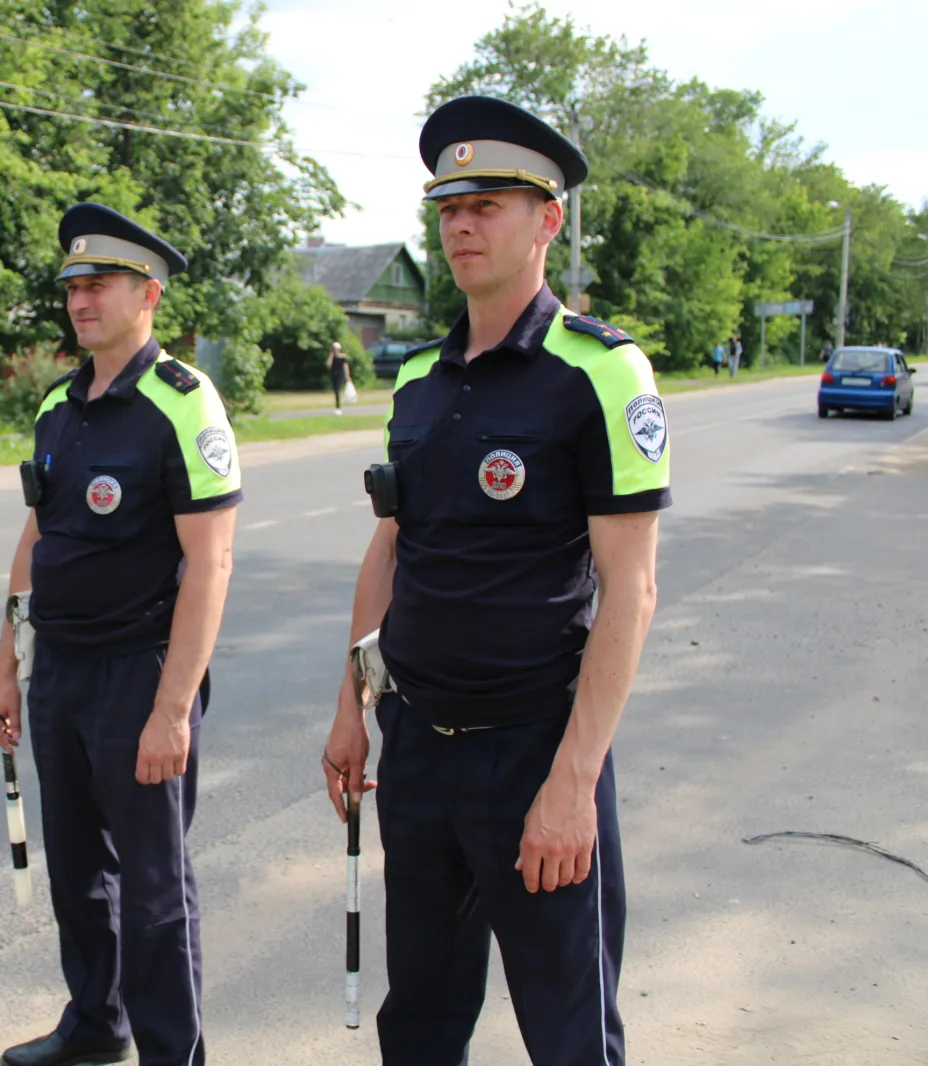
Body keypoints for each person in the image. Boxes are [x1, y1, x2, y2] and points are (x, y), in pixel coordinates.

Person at [322, 95, 670, 1066]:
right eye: (448, 208)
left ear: (546, 220)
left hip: (536, 753)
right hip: (418, 750)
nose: (462, 225)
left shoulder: (599, 373)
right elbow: (391, 549)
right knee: (421, 1018)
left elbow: (630, 590)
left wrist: (571, 783)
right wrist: (353, 710)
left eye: (490, 205)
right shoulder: (419, 383)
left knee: (567, 1026)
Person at [0, 203, 242, 1066]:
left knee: (155, 886)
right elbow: (36, 545)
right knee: (78, 876)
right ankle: (96, 1024)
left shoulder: (182, 403)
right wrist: (7, 668)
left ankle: (175, 1053)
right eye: (74, 286)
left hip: (142, 672)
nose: (82, 299)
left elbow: (211, 564)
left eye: (101, 285)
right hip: (59, 668)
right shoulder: (59, 406)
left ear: (149, 295)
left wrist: (173, 708)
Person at [327, 340, 352, 412]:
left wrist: (347, 376)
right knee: (335, 391)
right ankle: (337, 406)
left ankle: (338, 407)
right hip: (334, 375)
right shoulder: (332, 357)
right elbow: (328, 365)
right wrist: (331, 355)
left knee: (337, 390)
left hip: (340, 376)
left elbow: (345, 367)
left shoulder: (342, 357)